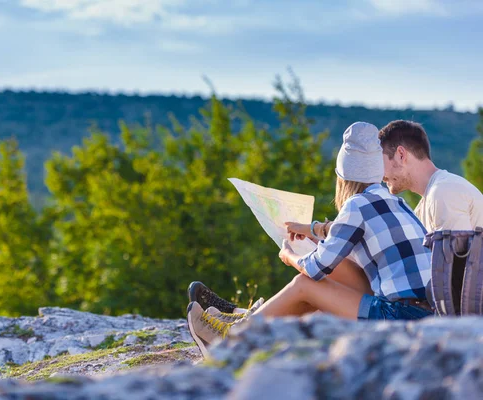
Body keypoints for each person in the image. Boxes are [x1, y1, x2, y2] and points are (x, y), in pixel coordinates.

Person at [186, 122, 433, 357]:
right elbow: (348, 242)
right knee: (339, 269)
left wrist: (290, 255)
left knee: (305, 285)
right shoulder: (397, 203)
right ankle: (254, 321)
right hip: (428, 315)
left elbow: (314, 270)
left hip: (401, 318)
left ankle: (232, 341)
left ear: (343, 178)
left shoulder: (356, 204)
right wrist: (313, 232)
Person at [378, 120, 483, 232]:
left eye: (380, 161)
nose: (379, 174)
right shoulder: (425, 205)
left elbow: (457, 250)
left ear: (401, 155)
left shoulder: (444, 190)